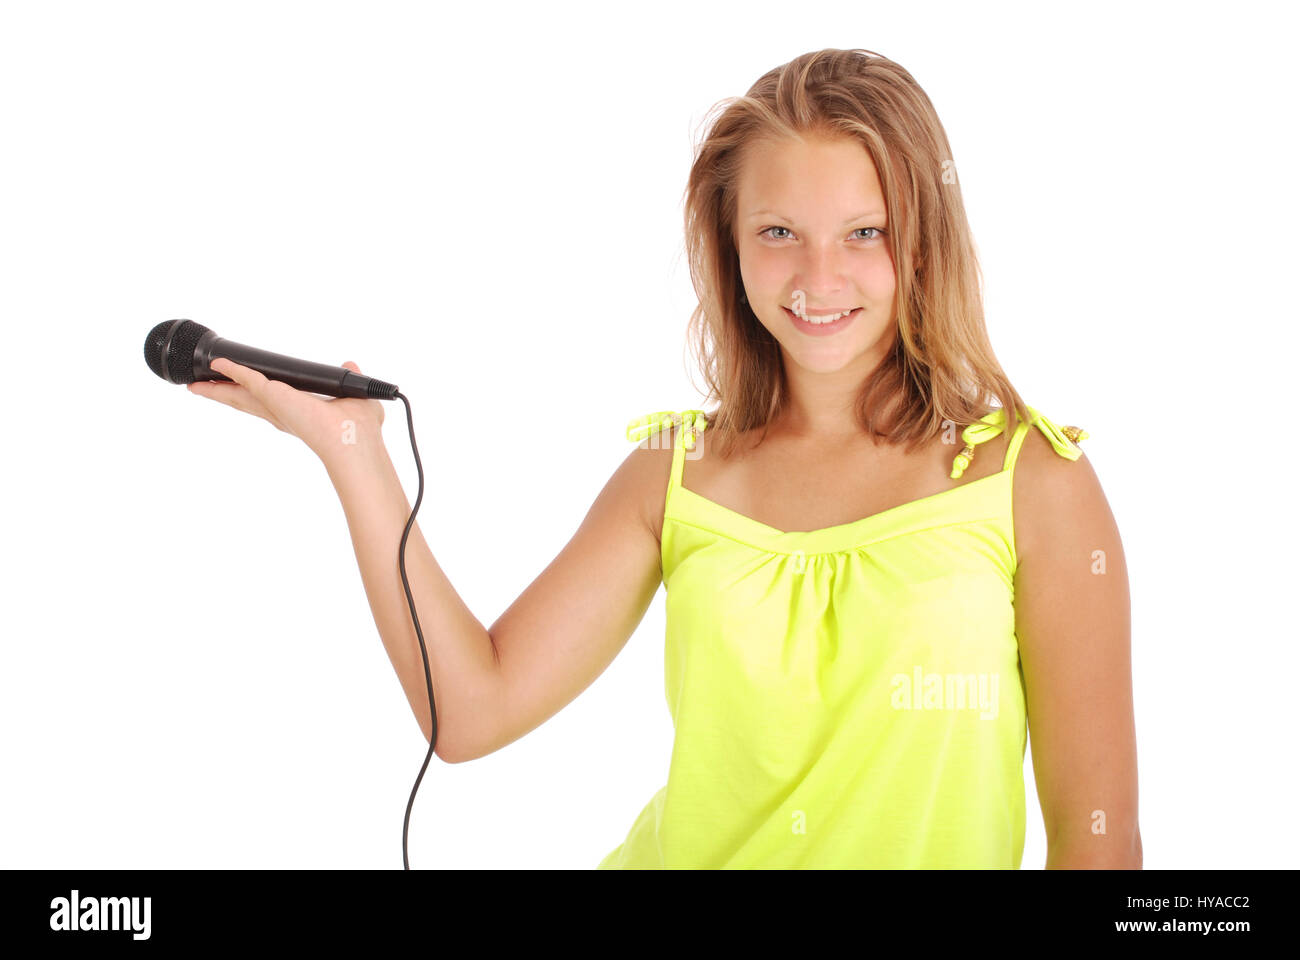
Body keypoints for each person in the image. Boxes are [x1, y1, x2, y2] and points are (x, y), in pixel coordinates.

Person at [189, 47, 1139, 870]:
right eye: (778, 234)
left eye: (864, 233)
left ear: (923, 243)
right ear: (729, 247)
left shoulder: (1033, 484)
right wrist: (356, 456)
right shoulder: (674, 473)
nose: (818, 279)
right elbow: (469, 713)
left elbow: (1098, 846)